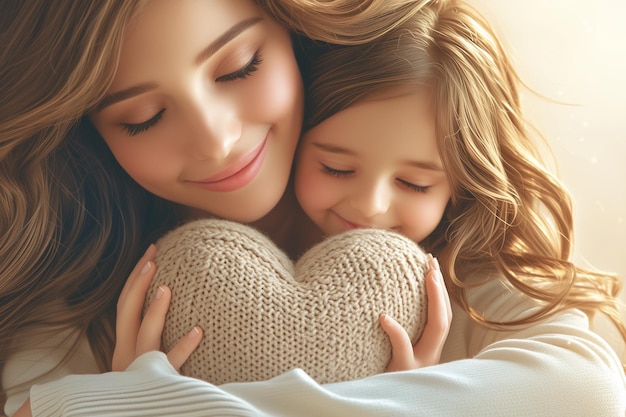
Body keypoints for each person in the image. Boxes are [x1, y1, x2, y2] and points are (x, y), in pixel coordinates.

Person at [3, 1, 625, 416]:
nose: (217, 139)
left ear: (295, 37)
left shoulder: (454, 259)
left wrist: (140, 405)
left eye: (240, 67)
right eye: (144, 117)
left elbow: (590, 392)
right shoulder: (79, 289)